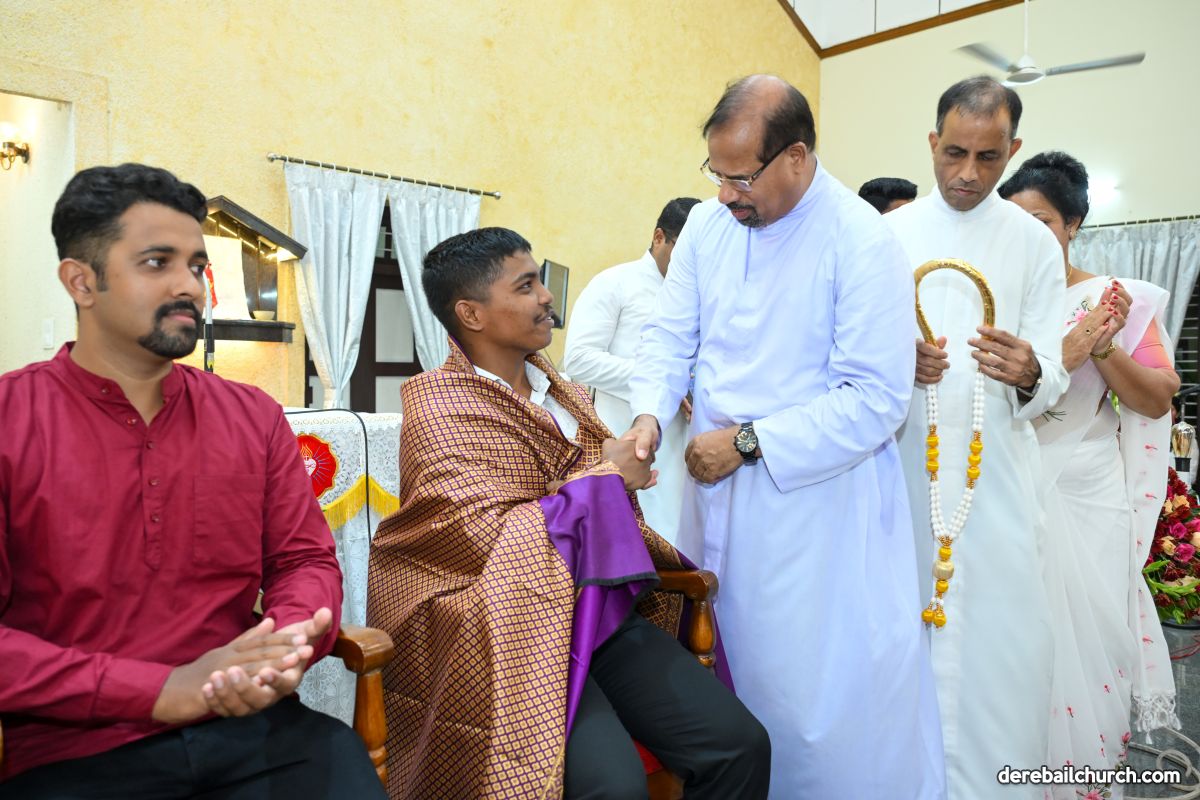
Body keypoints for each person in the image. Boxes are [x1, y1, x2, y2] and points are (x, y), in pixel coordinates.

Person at [0, 164, 384, 798]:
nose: (191, 286)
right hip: (76, 752)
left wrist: (284, 645)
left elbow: (304, 560)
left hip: (256, 732)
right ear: (81, 281)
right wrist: (159, 690)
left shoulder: (252, 415)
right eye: (157, 263)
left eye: (197, 265)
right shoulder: (12, 420)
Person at [622, 74, 945, 799]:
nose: (726, 194)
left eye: (741, 177)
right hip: (716, 495)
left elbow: (875, 399)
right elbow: (669, 336)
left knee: (810, 703)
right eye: (716, 174)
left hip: (817, 508)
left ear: (796, 156)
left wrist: (746, 443)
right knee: (721, 677)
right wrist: (648, 416)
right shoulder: (709, 228)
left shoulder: (861, 239)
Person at [366, 227, 769, 800]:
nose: (546, 297)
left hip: (595, 609)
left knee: (740, 744)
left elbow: (581, 507)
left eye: (540, 282)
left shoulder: (561, 391)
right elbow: (481, 536)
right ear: (471, 314)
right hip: (503, 629)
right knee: (612, 785)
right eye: (525, 286)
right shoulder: (438, 403)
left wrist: (605, 480)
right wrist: (605, 478)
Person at [884, 77, 1070, 798]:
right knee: (897, 635)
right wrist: (898, 365)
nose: (967, 173)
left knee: (1004, 645)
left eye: (988, 158)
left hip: (995, 483)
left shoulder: (1033, 244)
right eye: (954, 153)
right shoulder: (888, 236)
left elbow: (1052, 368)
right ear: (932, 142)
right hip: (903, 471)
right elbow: (849, 359)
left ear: (1012, 150)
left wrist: (1030, 371)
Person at [999, 151, 1180, 797]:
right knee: (1017, 650)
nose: (1026, 237)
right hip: (1011, 490)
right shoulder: (997, 304)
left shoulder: (1114, 300)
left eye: (1041, 222)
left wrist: (1101, 345)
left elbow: (1156, 399)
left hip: (1086, 492)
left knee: (1092, 646)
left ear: (1072, 223)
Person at [563, 197, 700, 546]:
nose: (693, 262)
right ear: (659, 237)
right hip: (625, 436)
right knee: (632, 541)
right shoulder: (615, 282)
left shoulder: (700, 296)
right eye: (684, 250)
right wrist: (662, 382)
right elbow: (578, 359)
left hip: (687, 444)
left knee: (681, 542)